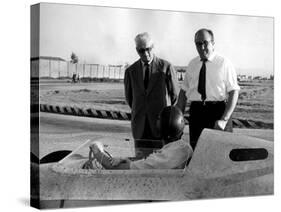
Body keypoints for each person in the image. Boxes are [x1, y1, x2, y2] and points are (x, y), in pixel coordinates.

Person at [176, 28, 240, 150]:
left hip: (218, 113)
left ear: (213, 43)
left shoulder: (224, 63)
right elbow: (183, 92)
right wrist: (178, 119)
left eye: (205, 42)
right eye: (198, 44)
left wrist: (224, 119)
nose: (202, 47)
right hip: (197, 114)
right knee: (198, 155)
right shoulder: (192, 64)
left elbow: (234, 91)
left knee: (221, 155)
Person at [82, 106, 193, 170]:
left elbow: (112, 168)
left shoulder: (158, 161)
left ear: (161, 128)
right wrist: (125, 159)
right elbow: (147, 161)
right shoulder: (185, 148)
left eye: (159, 119)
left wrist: (97, 150)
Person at [124, 32, 179, 155]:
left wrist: (164, 116)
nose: (145, 53)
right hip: (140, 127)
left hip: (161, 126)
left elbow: (175, 96)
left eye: (148, 49)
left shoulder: (166, 67)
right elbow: (130, 99)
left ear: (153, 47)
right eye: (141, 51)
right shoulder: (130, 71)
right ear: (137, 50)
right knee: (139, 163)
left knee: (160, 162)